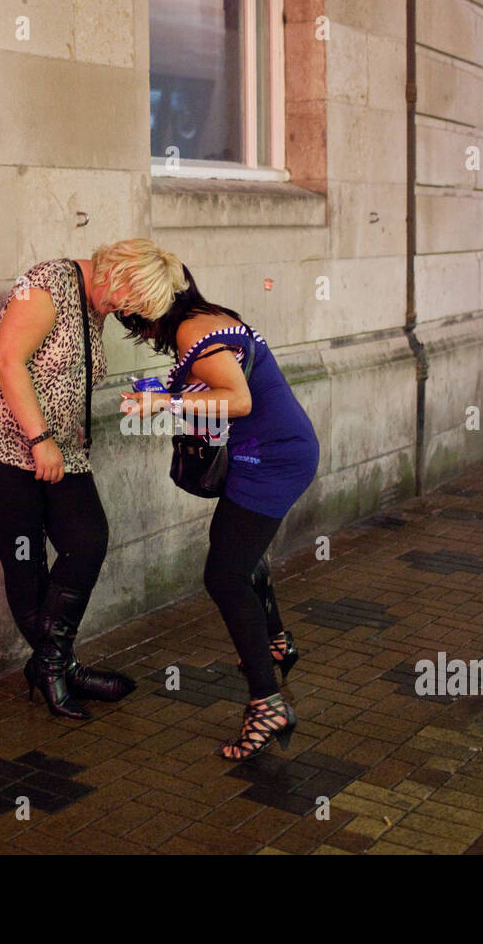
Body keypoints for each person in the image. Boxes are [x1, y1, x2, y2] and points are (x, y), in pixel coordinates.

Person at [0, 240, 189, 719]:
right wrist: (40, 439)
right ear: (118, 273)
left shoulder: (94, 301)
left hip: (61, 450)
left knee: (87, 538)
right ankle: (59, 668)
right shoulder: (46, 284)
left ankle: (54, 663)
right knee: (28, 562)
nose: (126, 313)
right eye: (130, 301)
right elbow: (7, 359)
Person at [117, 268, 320, 761]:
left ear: (152, 307)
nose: (138, 331)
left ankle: (266, 704)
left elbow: (239, 400)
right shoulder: (207, 318)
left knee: (224, 575)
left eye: (134, 319)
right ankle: (273, 643)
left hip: (271, 458)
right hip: (271, 450)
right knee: (241, 556)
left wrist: (157, 401)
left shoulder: (193, 330)